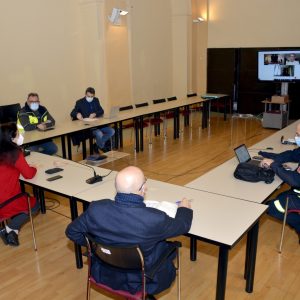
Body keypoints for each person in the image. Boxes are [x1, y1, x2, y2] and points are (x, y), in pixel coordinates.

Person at [65, 166, 193, 298]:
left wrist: (97, 248)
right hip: (142, 280)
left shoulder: (96, 208)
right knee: (166, 246)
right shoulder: (154, 218)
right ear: (142, 189)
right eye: (145, 183)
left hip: (104, 272)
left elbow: (71, 231)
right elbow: (182, 226)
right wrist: (184, 209)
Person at [259, 123, 300, 242]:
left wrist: (273, 165)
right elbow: (291, 155)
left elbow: (295, 181)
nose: (296, 137)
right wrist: (266, 155)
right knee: (279, 198)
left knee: (271, 207)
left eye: (298, 134)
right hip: (296, 192)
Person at [0, 122, 39, 246]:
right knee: (35, 205)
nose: (20, 136)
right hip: (6, 201)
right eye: (18, 134)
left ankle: (12, 232)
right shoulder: (14, 153)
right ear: (12, 137)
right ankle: (10, 228)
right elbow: (28, 174)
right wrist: (35, 168)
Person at [70, 87, 115, 153]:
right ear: (85, 94)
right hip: (88, 128)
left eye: (92, 96)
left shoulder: (96, 100)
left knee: (111, 131)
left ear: (94, 95)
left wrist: (95, 113)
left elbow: (101, 111)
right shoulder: (80, 102)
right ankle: (102, 147)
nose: (90, 98)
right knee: (99, 133)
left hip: (98, 125)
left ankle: (97, 145)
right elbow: (72, 113)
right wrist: (77, 114)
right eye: (88, 96)